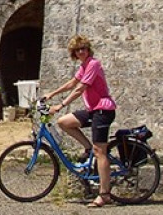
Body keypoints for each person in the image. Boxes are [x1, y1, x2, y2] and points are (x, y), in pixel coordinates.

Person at [44, 34, 116, 207]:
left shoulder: (93, 64)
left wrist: (60, 105)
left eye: (83, 48)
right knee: (64, 122)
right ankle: (87, 146)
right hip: (92, 110)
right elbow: (72, 83)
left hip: (103, 110)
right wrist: (51, 94)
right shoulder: (84, 66)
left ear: (88, 49)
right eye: (77, 50)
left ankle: (104, 194)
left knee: (100, 151)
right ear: (74, 53)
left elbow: (80, 88)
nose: (81, 52)